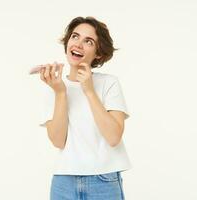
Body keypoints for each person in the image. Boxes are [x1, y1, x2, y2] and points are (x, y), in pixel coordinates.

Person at [38, 16, 132, 200]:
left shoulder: (108, 83)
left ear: (98, 53)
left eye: (88, 41)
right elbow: (58, 141)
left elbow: (114, 137)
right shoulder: (55, 86)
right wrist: (60, 93)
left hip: (103, 180)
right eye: (75, 36)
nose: (78, 44)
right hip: (64, 181)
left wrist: (89, 90)